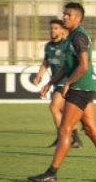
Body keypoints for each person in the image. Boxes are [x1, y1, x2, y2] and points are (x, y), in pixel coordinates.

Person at [28, 2, 96, 182]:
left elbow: (84, 65)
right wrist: (50, 82)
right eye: (64, 14)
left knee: (65, 130)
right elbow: (67, 66)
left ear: (79, 18)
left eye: (69, 15)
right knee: (90, 129)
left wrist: (68, 84)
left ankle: (51, 173)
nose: (65, 17)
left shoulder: (78, 37)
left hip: (80, 87)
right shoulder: (71, 37)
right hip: (84, 87)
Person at [32, 19, 83, 149]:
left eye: (56, 28)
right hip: (56, 82)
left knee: (54, 107)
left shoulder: (67, 44)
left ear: (62, 30)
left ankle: (62, 137)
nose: (53, 31)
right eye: (51, 28)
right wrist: (39, 75)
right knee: (64, 111)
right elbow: (46, 62)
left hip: (67, 82)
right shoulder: (48, 46)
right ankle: (75, 139)